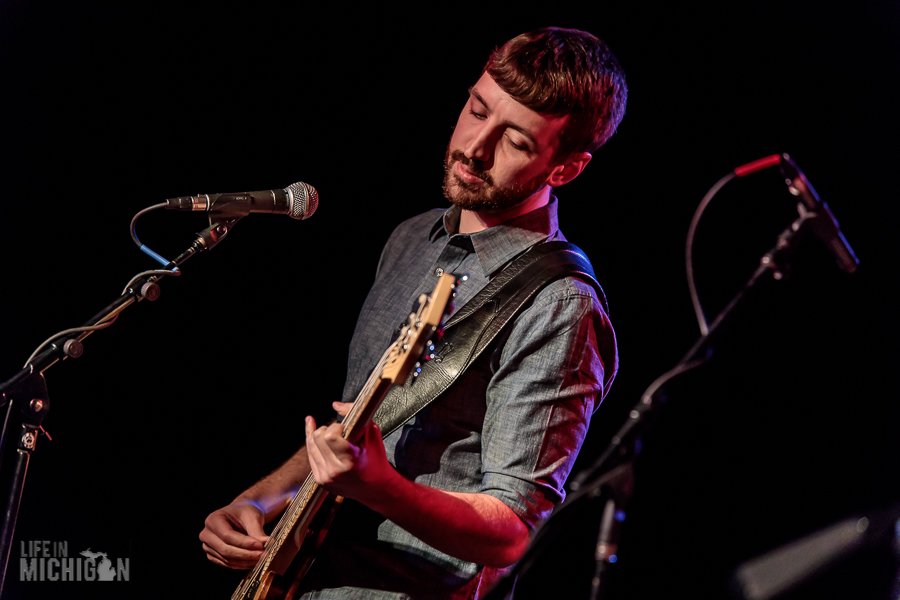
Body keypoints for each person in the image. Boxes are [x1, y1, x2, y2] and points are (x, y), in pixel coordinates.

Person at [200, 26, 627, 599]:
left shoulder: (560, 304)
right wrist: (259, 499)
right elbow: (359, 430)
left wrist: (379, 488)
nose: (476, 148)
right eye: (477, 110)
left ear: (565, 169)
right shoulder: (411, 237)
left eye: (517, 142)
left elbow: (514, 531)